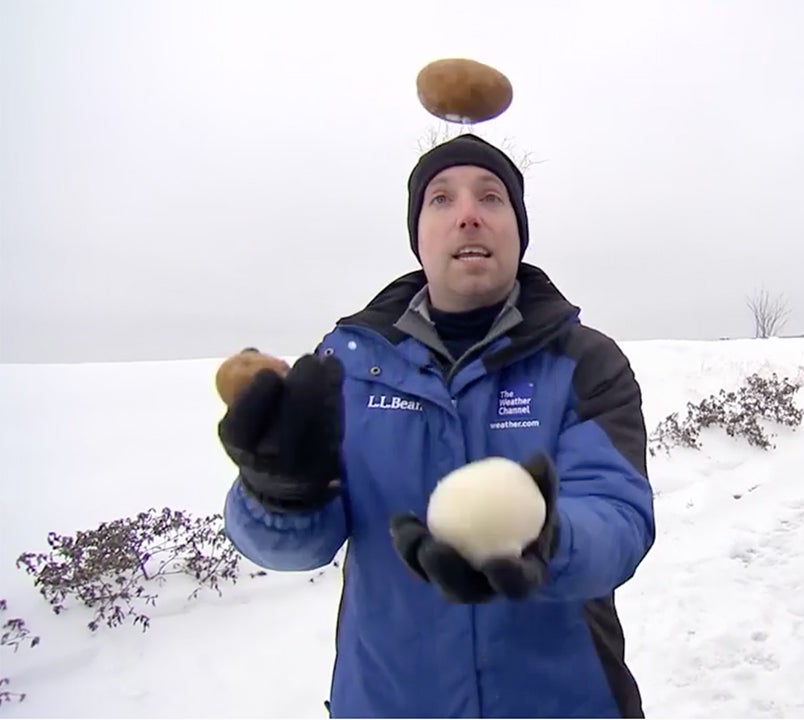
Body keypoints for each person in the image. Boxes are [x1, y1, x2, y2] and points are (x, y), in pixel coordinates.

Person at [215, 133, 656, 718]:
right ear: (418, 236)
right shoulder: (347, 366)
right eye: (441, 199)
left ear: (519, 230)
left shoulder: (583, 362)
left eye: (491, 197)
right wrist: (279, 492)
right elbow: (297, 548)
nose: (469, 215)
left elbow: (619, 518)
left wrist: (546, 538)